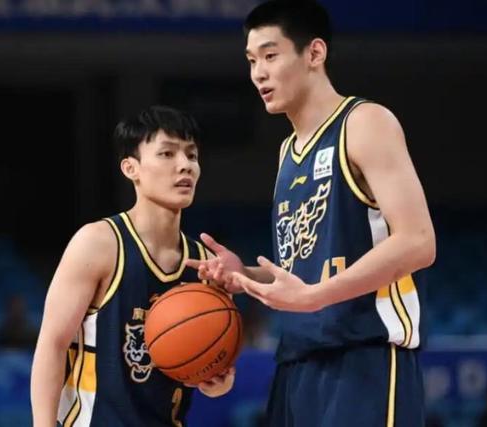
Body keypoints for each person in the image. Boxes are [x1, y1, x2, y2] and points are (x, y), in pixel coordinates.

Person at [187, 2, 436, 426]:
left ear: (315, 53)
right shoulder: (287, 152)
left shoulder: (365, 123)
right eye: (251, 61)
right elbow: (303, 272)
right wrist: (245, 276)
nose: (258, 73)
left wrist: (314, 297)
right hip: (296, 363)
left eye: (270, 55)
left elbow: (418, 242)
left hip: (364, 360)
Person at [31, 106, 235, 427]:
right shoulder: (98, 243)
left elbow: (214, 374)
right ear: (131, 168)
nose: (185, 165)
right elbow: (52, 345)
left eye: (192, 155)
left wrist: (217, 378)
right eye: (167, 153)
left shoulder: (205, 264)